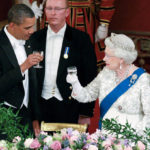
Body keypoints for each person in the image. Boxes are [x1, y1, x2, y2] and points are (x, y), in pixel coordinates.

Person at [66, 33, 150, 134]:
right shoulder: (105, 73)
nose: (104, 59)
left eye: (108, 56)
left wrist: (138, 141)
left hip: (132, 139)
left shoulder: (143, 79)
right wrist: (75, 83)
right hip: (106, 138)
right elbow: (87, 95)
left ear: (121, 58)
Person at [30, 0, 97, 125]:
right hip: (41, 106)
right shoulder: (34, 38)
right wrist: (32, 114)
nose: (53, 13)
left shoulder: (81, 39)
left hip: (70, 105)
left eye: (58, 9)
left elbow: (90, 77)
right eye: (49, 8)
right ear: (44, 11)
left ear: (67, 12)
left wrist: (85, 113)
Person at [0, 4, 43, 137]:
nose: (32, 31)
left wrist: (35, 118)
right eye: (27, 28)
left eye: (33, 26)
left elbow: (32, 83)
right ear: (12, 25)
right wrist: (24, 66)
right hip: (4, 117)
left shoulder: (29, 41)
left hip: (27, 116)